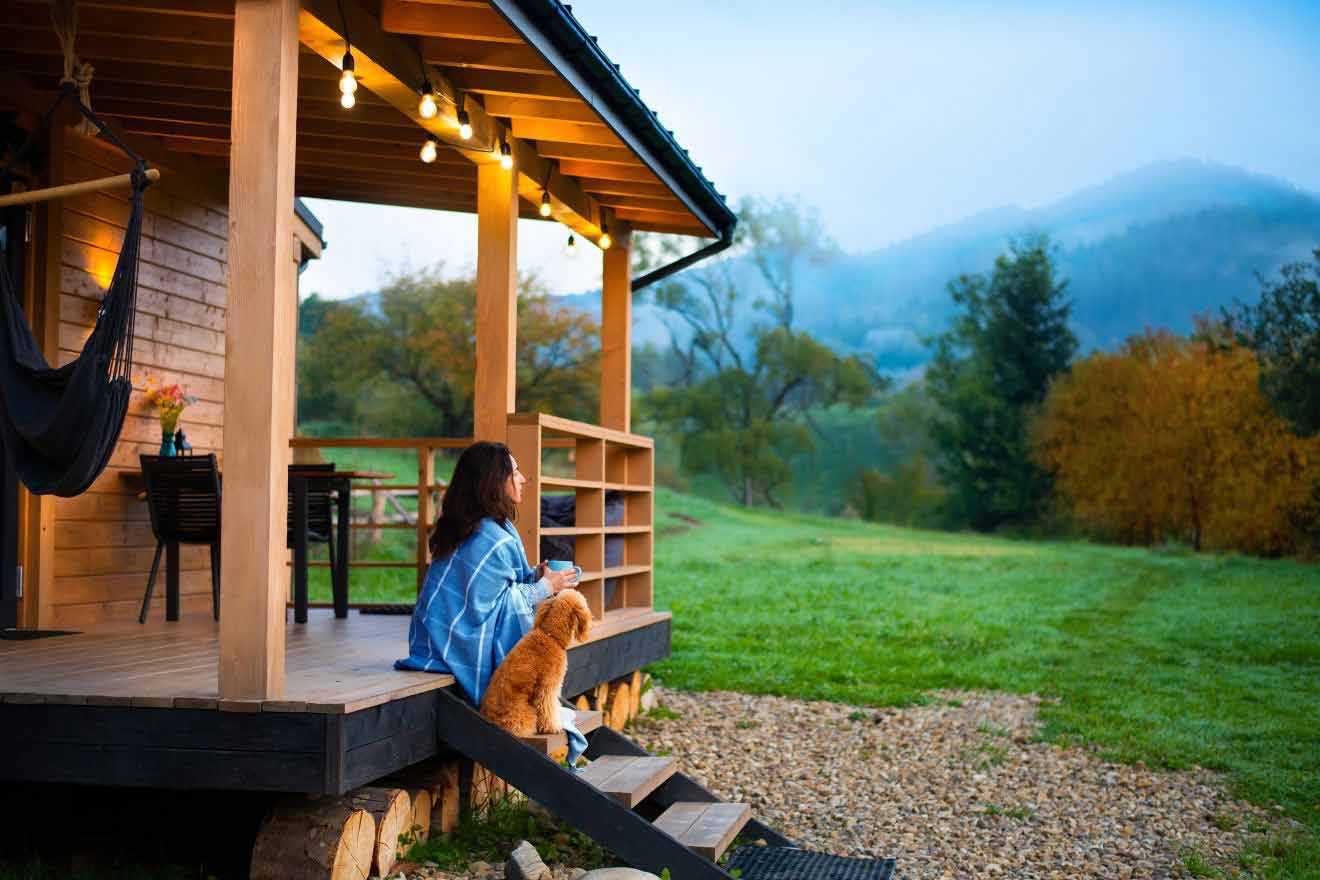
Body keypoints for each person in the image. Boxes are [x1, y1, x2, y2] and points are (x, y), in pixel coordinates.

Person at [395, 441, 579, 706]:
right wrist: (544, 589)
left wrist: (534, 576)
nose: (523, 479)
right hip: (450, 644)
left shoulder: (474, 524)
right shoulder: (491, 537)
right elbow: (490, 607)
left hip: (430, 639)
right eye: (515, 473)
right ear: (494, 481)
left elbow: (494, 589)